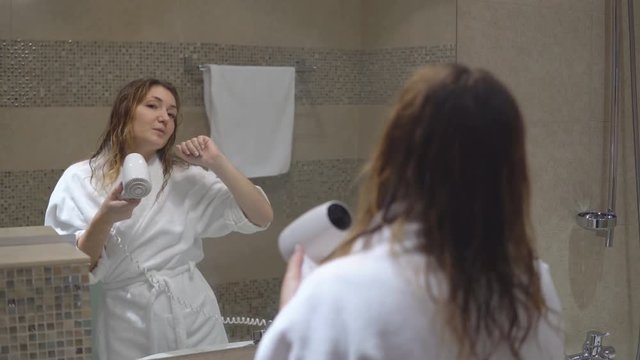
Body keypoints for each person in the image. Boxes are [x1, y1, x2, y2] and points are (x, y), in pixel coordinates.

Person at [254, 64, 565, 360]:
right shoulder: (534, 288)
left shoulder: (338, 294)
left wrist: (296, 314)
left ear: (392, 160)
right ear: (510, 176)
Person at [44, 78, 273, 360]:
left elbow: (262, 216)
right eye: (153, 106)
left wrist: (217, 162)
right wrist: (106, 216)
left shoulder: (183, 177)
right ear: (125, 112)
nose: (164, 117)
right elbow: (75, 268)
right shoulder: (80, 179)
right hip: (127, 320)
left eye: (172, 113)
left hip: (192, 311)